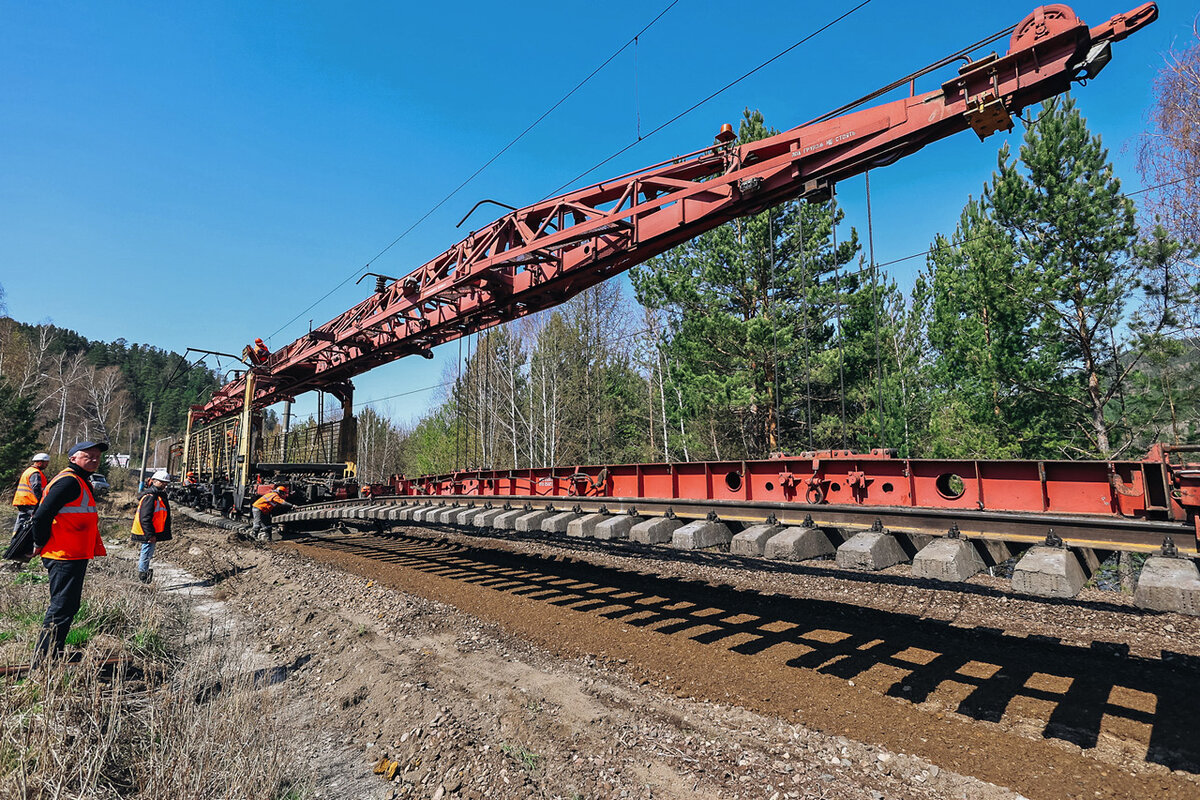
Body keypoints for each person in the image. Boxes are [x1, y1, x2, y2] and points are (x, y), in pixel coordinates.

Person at [30, 440, 108, 665]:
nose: (94, 459)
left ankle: (54, 653)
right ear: (73, 458)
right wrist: (39, 542)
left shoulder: (79, 480)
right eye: (88, 455)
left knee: (68, 606)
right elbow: (42, 515)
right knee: (61, 607)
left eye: (97, 456)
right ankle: (43, 661)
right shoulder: (69, 482)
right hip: (63, 554)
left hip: (72, 552)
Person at [131, 469, 172, 584]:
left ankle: (144, 576)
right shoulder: (151, 496)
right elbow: (145, 518)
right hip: (148, 532)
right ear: (154, 481)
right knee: (146, 553)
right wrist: (150, 534)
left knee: (147, 553)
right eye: (162, 482)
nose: (164, 484)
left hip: (151, 531)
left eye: (166, 482)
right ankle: (143, 578)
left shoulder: (157, 495)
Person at [11, 452, 50, 532]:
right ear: (40, 462)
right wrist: (41, 502)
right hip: (30, 502)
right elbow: (36, 488)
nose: (47, 465)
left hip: (23, 501)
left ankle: (16, 538)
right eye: (46, 463)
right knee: (33, 522)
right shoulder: (35, 473)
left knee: (22, 522)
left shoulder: (28, 471)